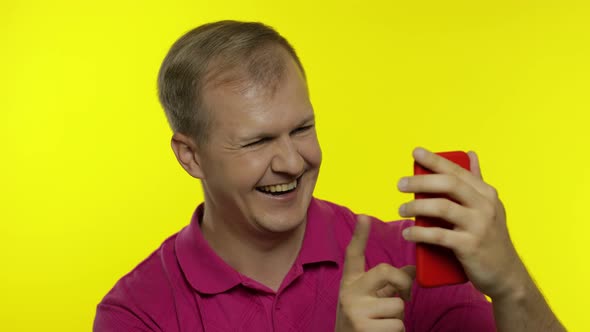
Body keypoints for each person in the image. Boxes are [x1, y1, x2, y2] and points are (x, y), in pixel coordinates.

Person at [94, 20, 565, 331]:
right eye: (258, 142)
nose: (292, 162)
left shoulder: (406, 257)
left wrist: (511, 283)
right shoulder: (137, 313)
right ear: (190, 156)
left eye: (302, 129)